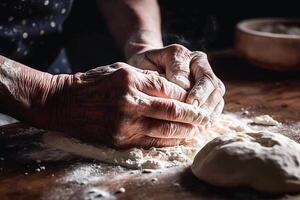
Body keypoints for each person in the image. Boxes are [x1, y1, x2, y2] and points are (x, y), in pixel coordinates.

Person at [0, 0, 225, 148]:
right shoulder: (56, 96)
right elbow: (53, 95)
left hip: (51, 71)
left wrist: (144, 49)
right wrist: (50, 96)